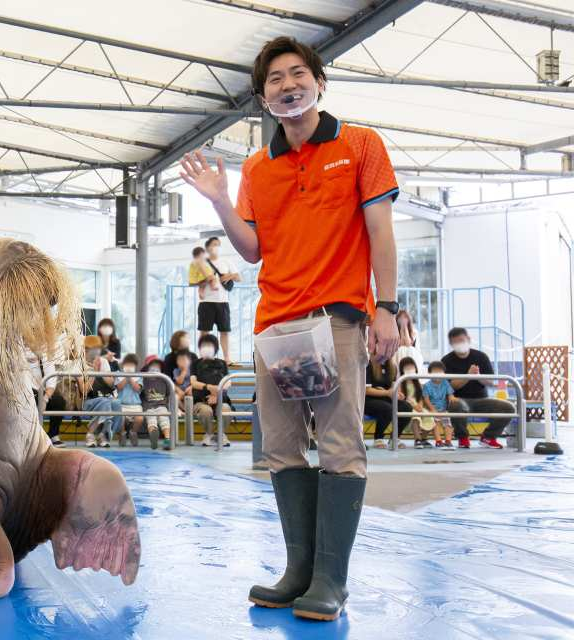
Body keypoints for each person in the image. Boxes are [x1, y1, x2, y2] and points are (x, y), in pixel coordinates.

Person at [180, 35, 401, 620]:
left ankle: (331, 578)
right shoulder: (258, 166)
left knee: (338, 446)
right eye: (274, 78)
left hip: (337, 318)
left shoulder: (360, 145)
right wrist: (221, 202)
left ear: (320, 83)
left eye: (298, 73)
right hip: (276, 324)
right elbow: (251, 251)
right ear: (262, 97)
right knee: (280, 449)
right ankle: (299, 569)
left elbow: (380, 231)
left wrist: (387, 306)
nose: (287, 84)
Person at [442, 328, 516, 449]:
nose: (459, 344)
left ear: (468, 340)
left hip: (481, 399)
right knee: (456, 404)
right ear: (451, 344)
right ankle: (463, 438)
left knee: (509, 407)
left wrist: (478, 376)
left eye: (461, 340)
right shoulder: (446, 361)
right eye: (455, 342)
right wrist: (468, 376)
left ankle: (488, 437)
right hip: (459, 399)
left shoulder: (481, 357)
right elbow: (449, 386)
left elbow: (491, 382)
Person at [197, 237, 240, 366]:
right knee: (204, 331)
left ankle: (227, 358)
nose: (217, 247)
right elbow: (198, 282)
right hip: (206, 302)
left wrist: (229, 276)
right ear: (208, 247)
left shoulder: (226, 261)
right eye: (214, 244)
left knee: (225, 331)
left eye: (218, 245)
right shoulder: (202, 264)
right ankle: (203, 357)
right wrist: (207, 279)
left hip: (222, 302)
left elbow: (238, 277)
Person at [79, 335, 122, 448]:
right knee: (106, 402)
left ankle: (103, 434)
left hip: (104, 397)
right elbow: (83, 390)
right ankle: (91, 433)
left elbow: (111, 384)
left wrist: (100, 372)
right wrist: (94, 372)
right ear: (85, 349)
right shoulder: (79, 363)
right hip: (87, 401)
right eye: (92, 348)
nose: (96, 351)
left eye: (98, 348)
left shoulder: (103, 361)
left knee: (116, 404)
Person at [190, 334, 232, 447]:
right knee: (205, 411)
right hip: (201, 400)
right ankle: (208, 434)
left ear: (215, 348)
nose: (206, 348)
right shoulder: (195, 364)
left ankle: (220, 434)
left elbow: (228, 382)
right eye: (203, 346)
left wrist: (217, 394)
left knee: (226, 409)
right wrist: (209, 387)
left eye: (209, 345)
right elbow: (193, 382)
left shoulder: (222, 364)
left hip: (220, 399)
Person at [365, 358, 412, 449]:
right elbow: (366, 390)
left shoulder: (392, 367)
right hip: (367, 400)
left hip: (385, 398)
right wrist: (387, 393)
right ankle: (378, 438)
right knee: (387, 408)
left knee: (406, 407)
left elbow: (393, 388)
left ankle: (394, 438)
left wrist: (398, 394)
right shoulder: (368, 364)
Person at [26, 346, 66, 447]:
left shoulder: (43, 353)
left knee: (59, 401)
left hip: (40, 390)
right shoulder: (15, 350)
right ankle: (30, 436)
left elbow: (51, 378)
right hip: (22, 390)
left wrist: (46, 398)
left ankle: (53, 434)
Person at [399, 356, 434, 449]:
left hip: (418, 406)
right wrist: (414, 407)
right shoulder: (400, 383)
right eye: (406, 367)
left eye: (411, 367)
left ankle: (423, 439)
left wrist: (420, 406)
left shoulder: (418, 383)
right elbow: (402, 398)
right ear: (402, 370)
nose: (410, 369)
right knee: (415, 417)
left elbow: (421, 398)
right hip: (408, 406)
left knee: (429, 416)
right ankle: (417, 439)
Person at [141, 355, 172, 450]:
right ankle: (153, 436)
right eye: (152, 365)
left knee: (164, 419)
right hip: (149, 407)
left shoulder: (165, 379)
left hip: (162, 405)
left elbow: (170, 393)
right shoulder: (143, 379)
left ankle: (167, 439)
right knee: (151, 420)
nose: (155, 368)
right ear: (147, 367)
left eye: (157, 366)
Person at [423, 361, 455, 449]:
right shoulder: (427, 385)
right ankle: (438, 441)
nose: (438, 374)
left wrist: (451, 397)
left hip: (444, 409)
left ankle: (448, 441)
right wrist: (432, 409)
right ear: (429, 374)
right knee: (435, 424)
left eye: (440, 372)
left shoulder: (445, 383)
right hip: (433, 409)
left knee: (448, 424)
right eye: (435, 372)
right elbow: (426, 399)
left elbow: (450, 394)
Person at [115, 353, 143, 447]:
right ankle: (122, 434)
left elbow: (138, 389)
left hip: (135, 405)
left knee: (140, 418)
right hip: (121, 404)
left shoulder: (139, 376)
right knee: (120, 418)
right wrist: (125, 377)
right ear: (123, 365)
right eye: (127, 365)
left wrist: (130, 378)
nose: (129, 367)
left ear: (135, 366)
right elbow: (119, 387)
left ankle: (133, 433)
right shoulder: (119, 374)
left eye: (132, 365)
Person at [394, 309, 425, 374]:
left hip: (412, 355)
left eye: (405, 317)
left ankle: (411, 372)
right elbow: (401, 344)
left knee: (408, 349)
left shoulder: (414, 331)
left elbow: (408, 344)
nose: (403, 320)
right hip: (398, 354)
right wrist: (402, 328)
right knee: (401, 350)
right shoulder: (394, 331)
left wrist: (405, 328)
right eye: (401, 317)